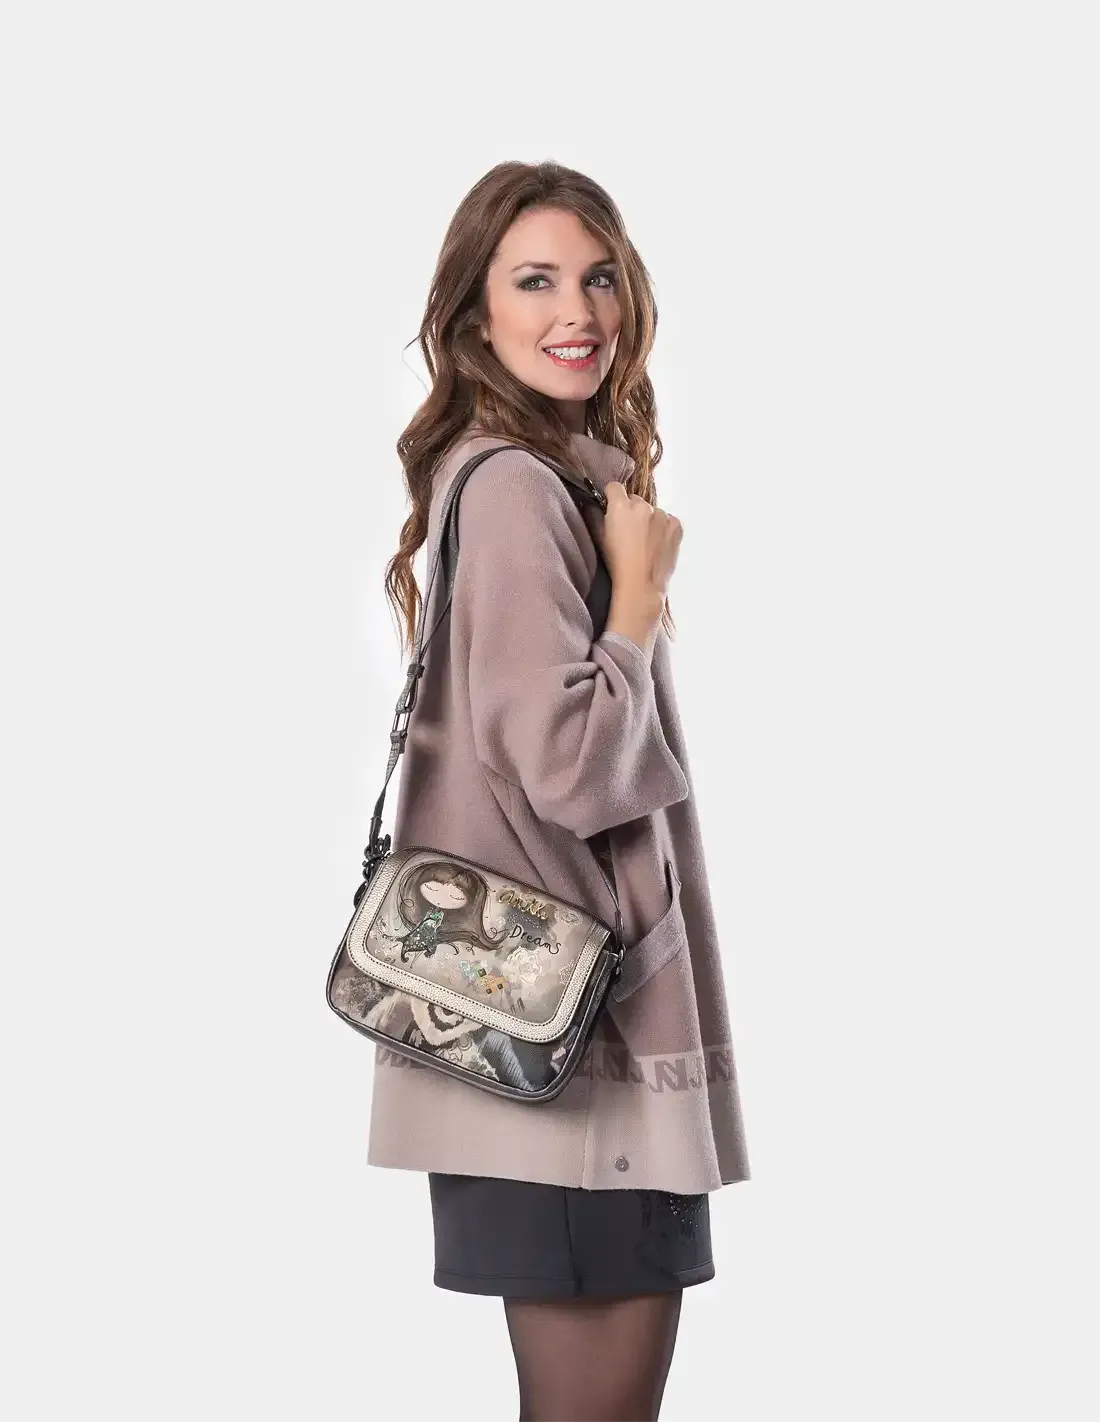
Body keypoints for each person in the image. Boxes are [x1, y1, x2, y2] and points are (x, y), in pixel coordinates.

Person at [369, 160, 751, 1421]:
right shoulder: (519, 490)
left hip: (548, 1047)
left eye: (597, 277)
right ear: (474, 314)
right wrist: (634, 599)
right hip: (576, 1062)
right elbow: (570, 767)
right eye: (533, 280)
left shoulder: (542, 476)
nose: (575, 310)